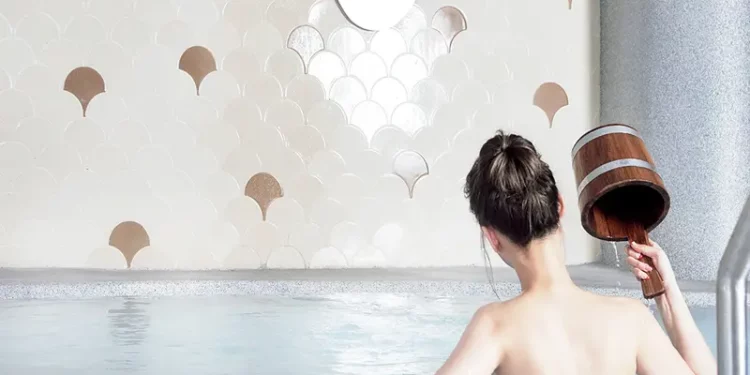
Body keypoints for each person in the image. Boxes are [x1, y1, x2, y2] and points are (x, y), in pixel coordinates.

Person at [435, 131, 716, 375]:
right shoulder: (631, 319)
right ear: (559, 206)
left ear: (492, 237)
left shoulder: (495, 326)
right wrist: (669, 296)